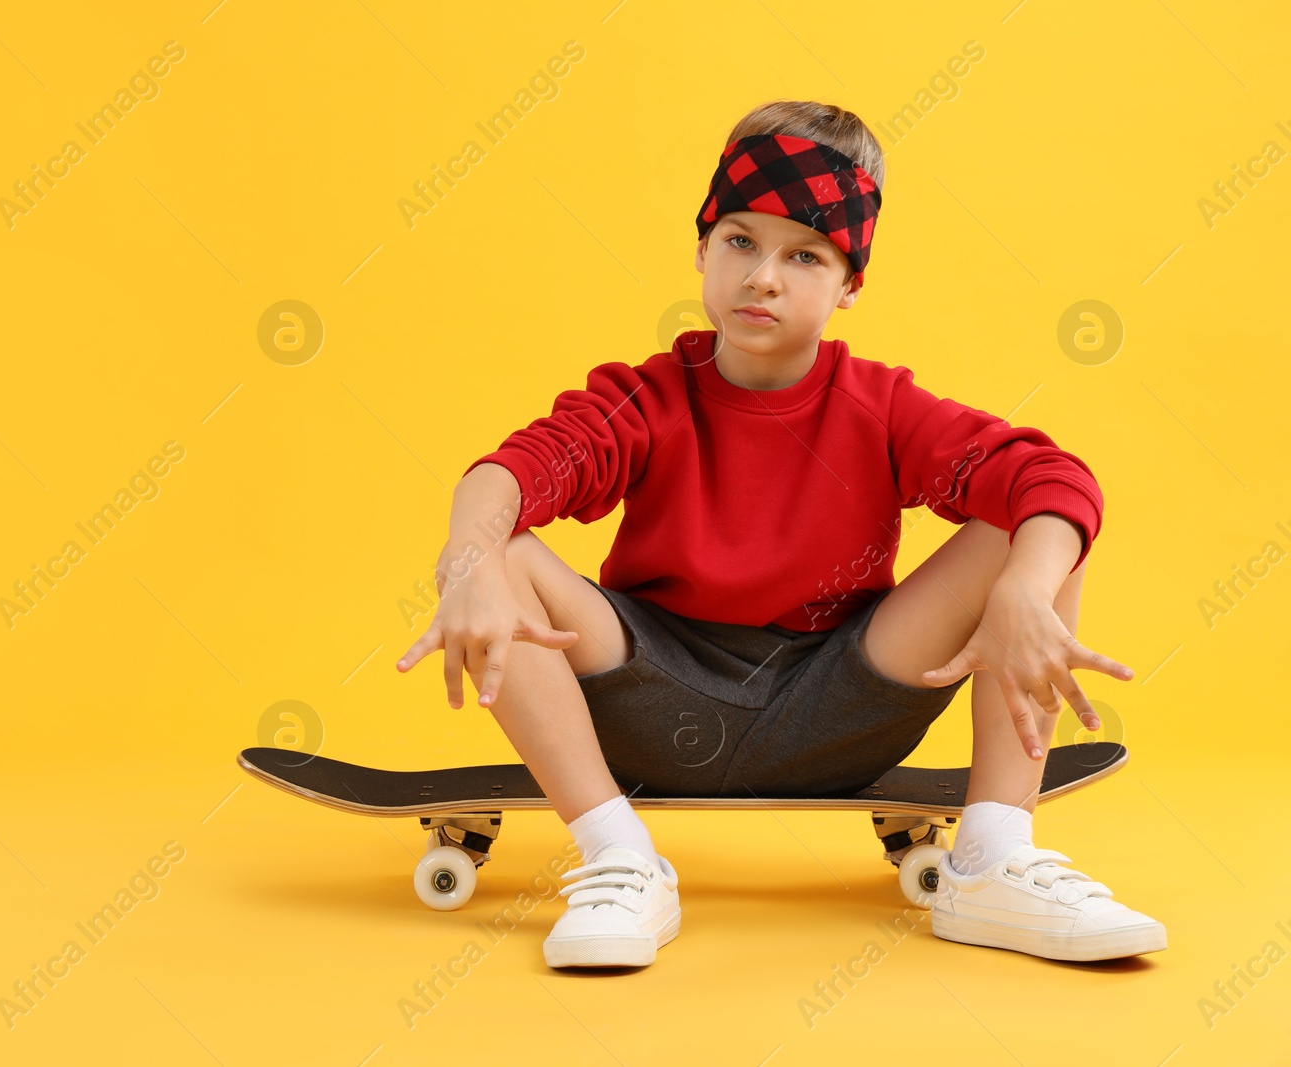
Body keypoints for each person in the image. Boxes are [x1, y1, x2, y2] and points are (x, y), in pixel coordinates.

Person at [396, 99, 1166, 969]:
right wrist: (467, 564)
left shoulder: (881, 407)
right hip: (649, 702)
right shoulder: (646, 396)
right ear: (700, 250)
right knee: (494, 540)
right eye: (739, 241)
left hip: (839, 704)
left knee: (1035, 523)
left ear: (849, 285)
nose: (763, 276)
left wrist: (1026, 589)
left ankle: (992, 859)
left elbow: (1054, 477)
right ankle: (619, 856)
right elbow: (511, 470)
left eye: (804, 255)